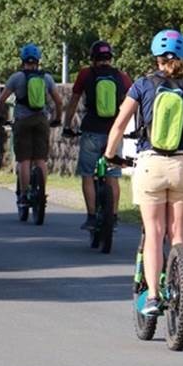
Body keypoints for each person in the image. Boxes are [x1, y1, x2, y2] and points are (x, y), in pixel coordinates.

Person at [104, 29, 183, 315]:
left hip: (150, 165)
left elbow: (120, 124)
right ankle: (182, 284)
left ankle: (153, 297)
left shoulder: (142, 85)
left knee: (155, 231)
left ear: (156, 57)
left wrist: (111, 155)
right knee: (178, 234)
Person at [62, 40, 133, 230]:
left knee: (87, 174)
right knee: (113, 175)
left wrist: (67, 126)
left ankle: (92, 217)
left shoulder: (86, 74)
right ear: (110, 58)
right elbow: (134, 103)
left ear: (93, 58)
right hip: (114, 132)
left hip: (92, 130)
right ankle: (115, 216)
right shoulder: (122, 77)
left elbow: (74, 101)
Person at [0, 43, 63, 206]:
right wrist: (57, 119)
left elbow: (2, 100)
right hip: (41, 120)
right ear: (38, 60)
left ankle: (24, 195)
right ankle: (42, 194)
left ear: (22, 60)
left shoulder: (16, 78)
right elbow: (59, 102)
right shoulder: (46, 78)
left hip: (22, 121)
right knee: (41, 160)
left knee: (24, 159)